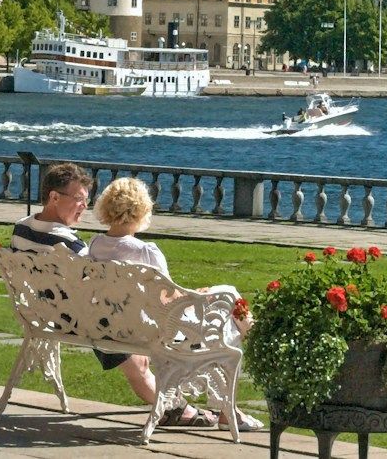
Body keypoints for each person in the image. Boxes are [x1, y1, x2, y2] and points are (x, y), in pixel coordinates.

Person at [11, 163, 213, 429]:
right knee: (135, 354)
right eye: (79, 199)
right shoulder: (70, 245)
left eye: (86, 200)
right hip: (78, 321)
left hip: (40, 315)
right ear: (54, 197)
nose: (84, 206)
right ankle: (177, 408)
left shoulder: (21, 229)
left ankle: (177, 406)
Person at [85, 177, 262, 432]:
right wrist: (197, 294)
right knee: (228, 297)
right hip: (157, 331)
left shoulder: (95, 245)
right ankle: (252, 355)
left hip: (120, 328)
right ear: (141, 210)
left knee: (225, 299)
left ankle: (233, 399)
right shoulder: (146, 251)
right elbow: (169, 301)